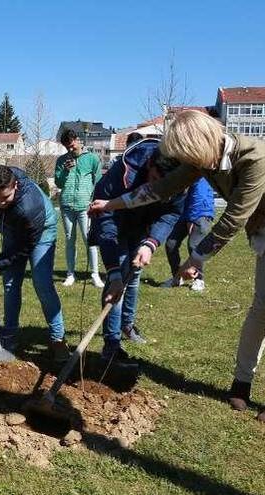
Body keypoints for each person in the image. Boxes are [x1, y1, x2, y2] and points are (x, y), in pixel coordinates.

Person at [89, 110, 265, 423]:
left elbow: (234, 218)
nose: (188, 164)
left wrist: (196, 259)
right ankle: (241, 381)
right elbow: (160, 189)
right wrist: (111, 204)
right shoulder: (202, 162)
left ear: (203, 143)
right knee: (263, 305)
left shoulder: (254, 160)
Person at [89, 138, 185, 363]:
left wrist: (151, 243)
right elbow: (106, 218)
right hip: (116, 225)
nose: (159, 192)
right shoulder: (122, 173)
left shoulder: (181, 176)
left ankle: (127, 326)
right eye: (154, 181)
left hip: (143, 227)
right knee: (118, 279)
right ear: (150, 164)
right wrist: (112, 270)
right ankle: (111, 343)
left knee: (133, 279)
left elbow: (172, 212)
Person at [0, 165, 68, 362]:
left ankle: (58, 338)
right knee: (10, 284)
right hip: (11, 228)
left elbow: (26, 246)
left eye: (5, 198)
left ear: (15, 185)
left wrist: (1, 261)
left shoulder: (29, 206)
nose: (0, 203)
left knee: (42, 283)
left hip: (40, 231)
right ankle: (9, 334)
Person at [54, 128, 104, 288]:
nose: (69, 149)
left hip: (85, 206)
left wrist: (94, 201)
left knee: (89, 240)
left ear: (77, 139)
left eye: (71, 145)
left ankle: (95, 274)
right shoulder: (61, 161)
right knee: (70, 240)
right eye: (66, 147)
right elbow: (58, 183)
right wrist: (65, 171)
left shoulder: (92, 159)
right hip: (67, 205)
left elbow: (98, 181)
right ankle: (70, 274)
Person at [160, 177, 215, 291]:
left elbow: (199, 196)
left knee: (194, 246)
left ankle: (199, 279)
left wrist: (192, 220)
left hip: (201, 212)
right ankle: (177, 277)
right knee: (171, 244)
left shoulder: (201, 174)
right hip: (185, 213)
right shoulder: (186, 170)